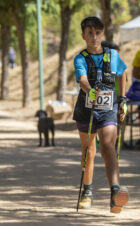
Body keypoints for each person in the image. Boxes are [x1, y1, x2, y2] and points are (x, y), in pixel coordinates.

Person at [73, 16, 128, 213]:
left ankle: (115, 191)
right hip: (86, 109)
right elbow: (82, 79)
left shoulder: (113, 55)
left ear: (102, 34)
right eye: (89, 33)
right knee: (89, 151)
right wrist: (90, 91)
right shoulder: (80, 58)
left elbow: (122, 74)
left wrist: (122, 100)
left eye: (97, 33)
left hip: (108, 109)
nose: (94, 37)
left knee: (107, 146)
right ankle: (87, 192)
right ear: (83, 35)